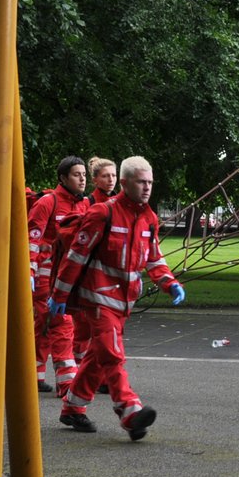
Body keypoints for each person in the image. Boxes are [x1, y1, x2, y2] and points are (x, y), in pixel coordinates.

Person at [51, 156, 184, 439]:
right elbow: (76, 256)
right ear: (125, 183)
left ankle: (73, 408)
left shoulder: (149, 218)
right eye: (141, 182)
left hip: (124, 301)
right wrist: (59, 295)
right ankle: (129, 411)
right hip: (97, 298)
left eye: (150, 182)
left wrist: (170, 283)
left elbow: (154, 258)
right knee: (112, 355)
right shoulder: (103, 213)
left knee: (97, 358)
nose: (147, 187)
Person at [28, 156, 89, 394]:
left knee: (44, 325)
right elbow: (31, 240)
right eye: (77, 174)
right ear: (63, 178)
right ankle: (67, 385)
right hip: (46, 275)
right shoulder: (47, 203)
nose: (83, 179)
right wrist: (30, 271)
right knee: (62, 324)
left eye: (84, 174)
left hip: (68, 277)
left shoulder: (84, 205)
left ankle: (34, 375)